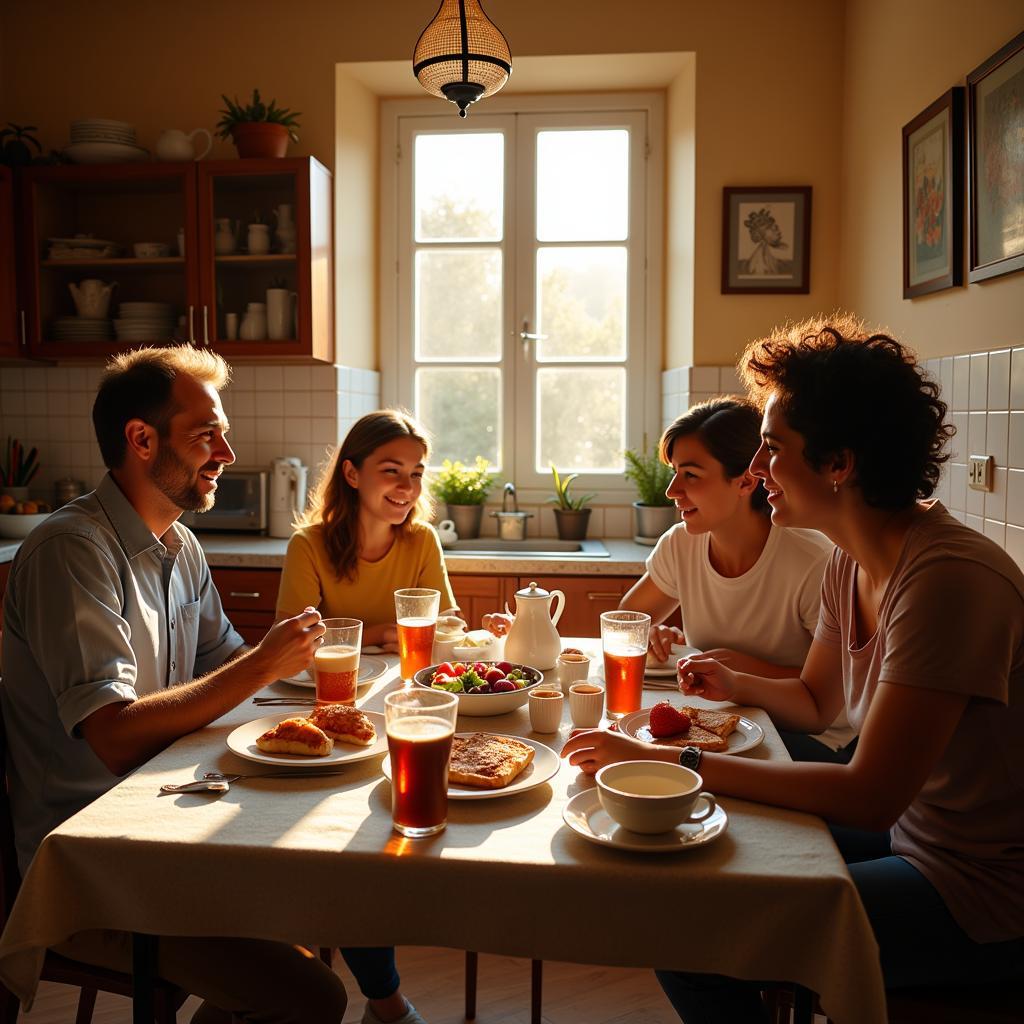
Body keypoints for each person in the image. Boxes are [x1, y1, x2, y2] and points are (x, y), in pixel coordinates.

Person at [563, 316, 1024, 1019]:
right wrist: (734, 682)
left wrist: (681, 760)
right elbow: (812, 701)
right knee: (711, 841)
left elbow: (871, 796)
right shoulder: (851, 561)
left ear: (839, 463)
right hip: (915, 835)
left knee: (689, 931)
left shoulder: (946, 580)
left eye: (772, 451)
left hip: (984, 889)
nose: (756, 473)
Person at [0, 348, 416, 1024]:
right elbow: (112, 736)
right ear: (141, 440)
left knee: (341, 874)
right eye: (206, 434)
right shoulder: (71, 550)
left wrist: (322, 684)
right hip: (92, 866)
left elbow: (230, 669)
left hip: (172, 818)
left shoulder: (180, 545)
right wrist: (261, 666)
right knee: (312, 995)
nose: (226, 450)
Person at [620, 397, 854, 762]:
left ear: (746, 481)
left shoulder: (813, 561)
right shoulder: (682, 542)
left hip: (815, 740)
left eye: (691, 475)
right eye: (675, 472)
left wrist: (743, 668)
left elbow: (833, 694)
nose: (672, 491)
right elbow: (627, 621)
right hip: (726, 718)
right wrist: (652, 634)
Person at [275, 410, 458, 644]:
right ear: (352, 474)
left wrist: (484, 630)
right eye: (391, 470)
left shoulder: (423, 539)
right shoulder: (308, 545)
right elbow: (288, 642)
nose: (407, 487)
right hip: (328, 677)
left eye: (416, 474)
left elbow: (446, 626)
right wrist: (379, 634)